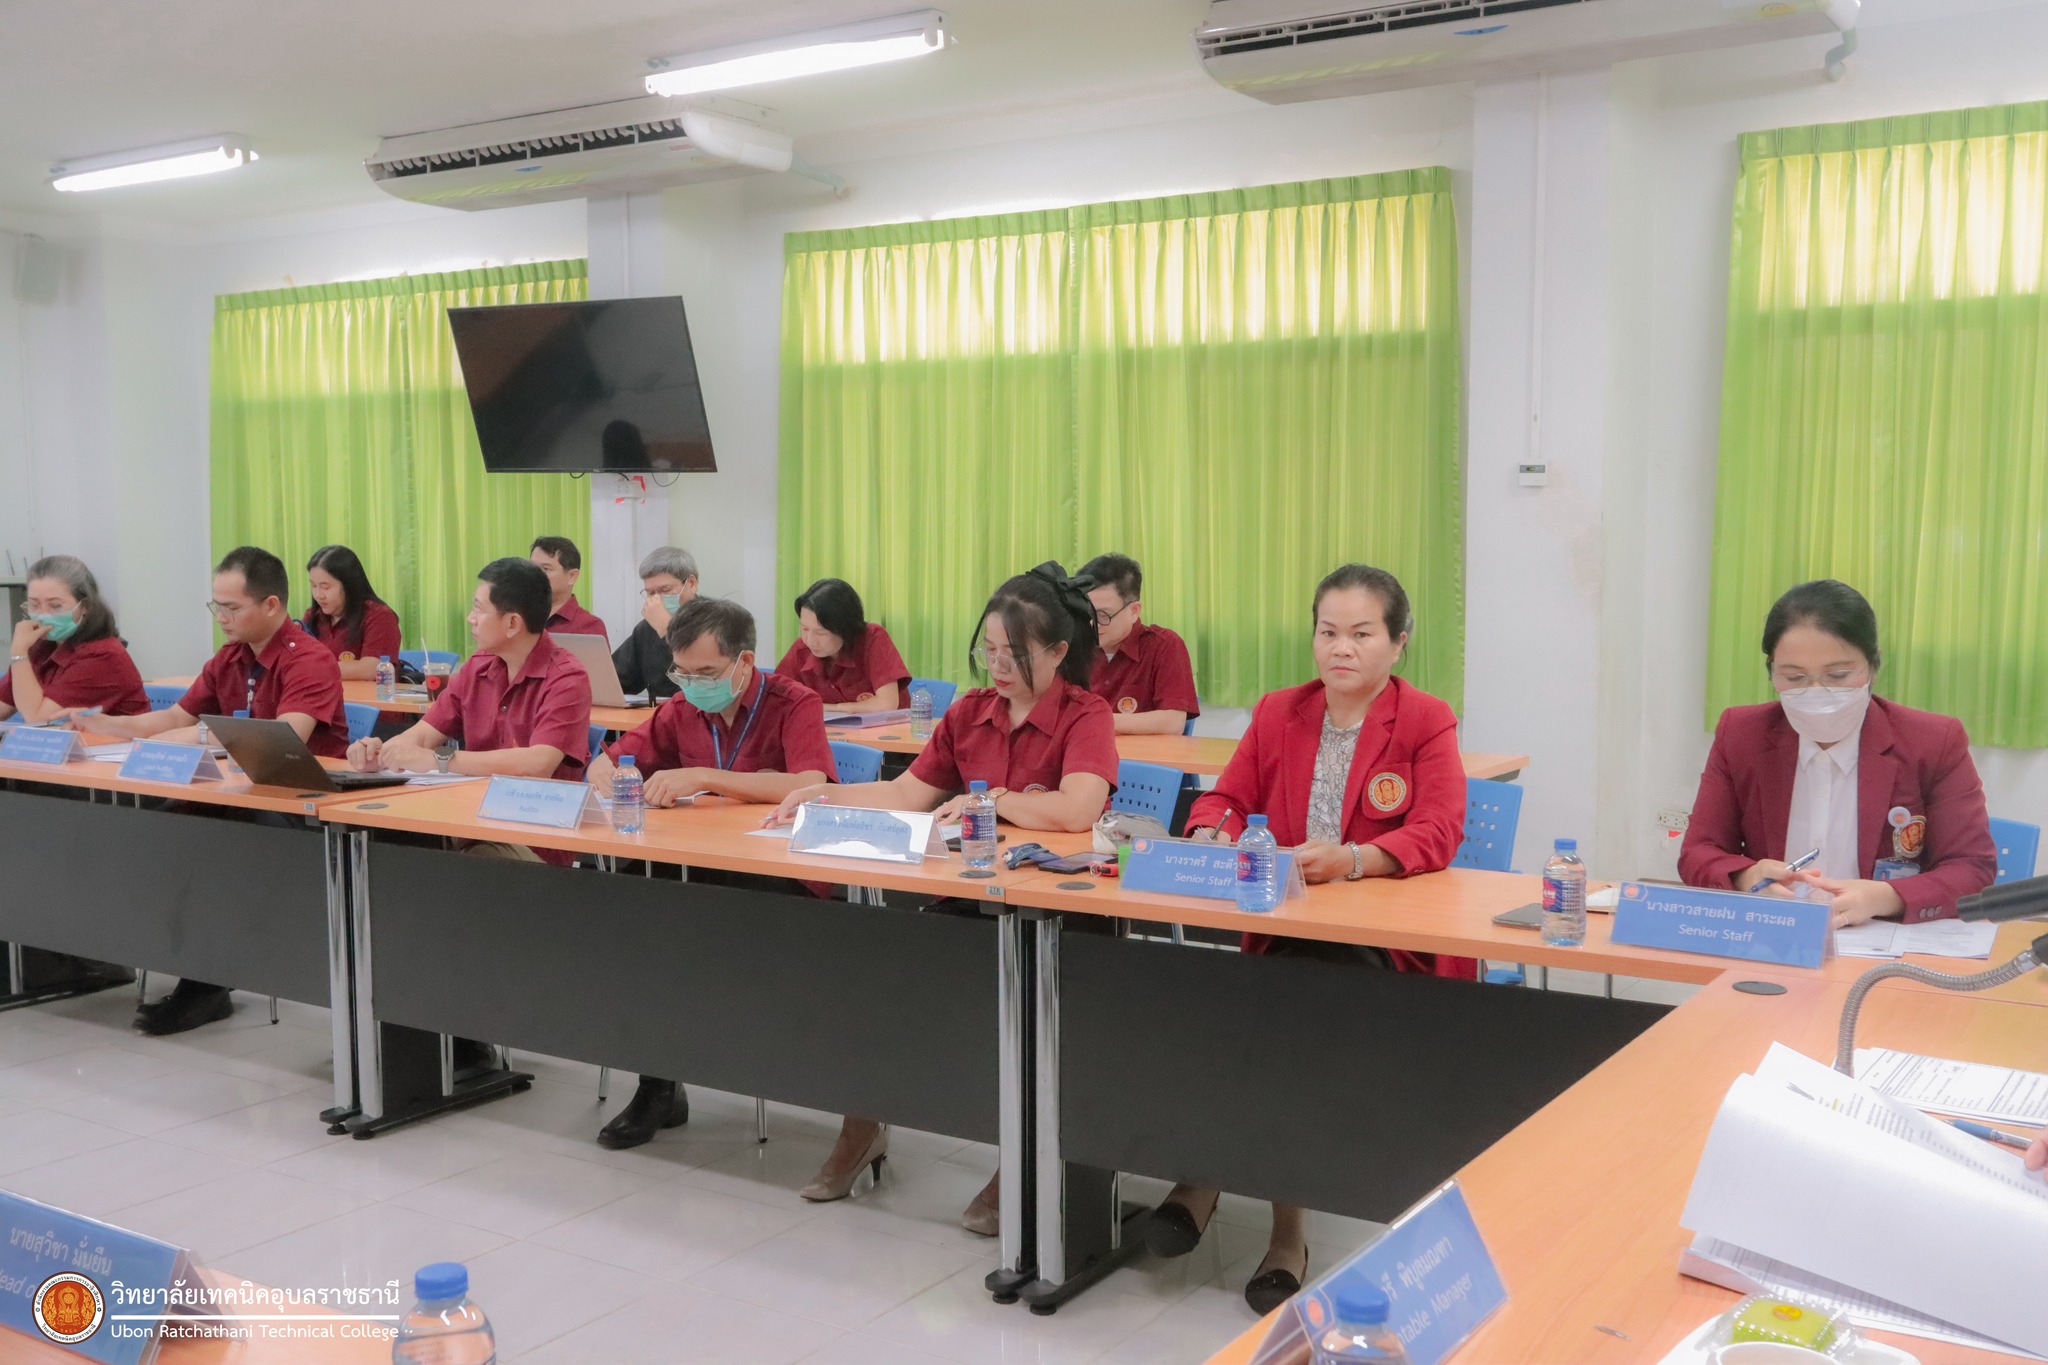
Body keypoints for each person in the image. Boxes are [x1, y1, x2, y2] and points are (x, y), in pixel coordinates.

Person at [1151, 563, 1472, 1315]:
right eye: (1328, 632)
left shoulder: (1425, 719)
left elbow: (1439, 828)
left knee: (1277, 1018)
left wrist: (1355, 859)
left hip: (1385, 948)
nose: (1341, 648)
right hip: (1285, 933)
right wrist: (1210, 831)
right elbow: (1225, 798)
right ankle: (1242, 1197)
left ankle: (1243, 1203)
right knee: (1238, 1008)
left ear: (1399, 641)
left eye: (1362, 633)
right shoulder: (1280, 711)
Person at [768, 563, 1117, 1232]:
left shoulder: (1086, 714)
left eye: (1015, 654)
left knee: (1020, 1018)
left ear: (1057, 652)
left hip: (1059, 920)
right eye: (990, 650)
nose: (999, 666)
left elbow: (1077, 808)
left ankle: (1024, 1158)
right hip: (971, 902)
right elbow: (907, 794)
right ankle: (863, 1127)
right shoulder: (969, 711)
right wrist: (825, 793)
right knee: (875, 980)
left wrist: (992, 800)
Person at [584, 597, 835, 1150]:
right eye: (682, 673)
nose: (692, 685)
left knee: (672, 933)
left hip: (778, 881)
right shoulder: (681, 708)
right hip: (697, 869)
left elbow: (811, 783)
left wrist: (704, 776)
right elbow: (615, 758)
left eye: (705, 673)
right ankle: (659, 1085)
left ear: (744, 662)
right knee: (632, 918)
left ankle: (672, 1077)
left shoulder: (795, 702)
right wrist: (609, 771)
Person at [76, 545, 348, 1035]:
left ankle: (205, 982)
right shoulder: (229, 658)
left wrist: (197, 736)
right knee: (157, 827)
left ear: (271, 605)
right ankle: (194, 971)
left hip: (301, 810)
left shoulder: (310, 659)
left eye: (231, 607)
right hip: (234, 798)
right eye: (215, 606)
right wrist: (109, 726)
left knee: (208, 847)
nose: (221, 617)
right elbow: (174, 718)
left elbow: (283, 739)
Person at [1679, 580, 1997, 928]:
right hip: (1774, 931)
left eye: (1838, 675)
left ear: (1873, 665)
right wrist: (1747, 876)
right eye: (1795, 677)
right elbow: (1698, 852)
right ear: (1771, 671)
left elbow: (1972, 868)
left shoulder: (1932, 741)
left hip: (1883, 935)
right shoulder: (1742, 734)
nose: (1817, 692)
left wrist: (1885, 897)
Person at [347, 558, 591, 804]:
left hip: (537, 815)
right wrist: (383, 754)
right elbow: (423, 735)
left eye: (479, 609)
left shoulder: (567, 678)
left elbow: (538, 764)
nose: (470, 618)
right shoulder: (478, 666)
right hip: (472, 807)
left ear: (512, 623)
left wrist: (439, 760)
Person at [0, 555, 148, 722]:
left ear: (84, 607)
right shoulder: (41, 645)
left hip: (114, 739)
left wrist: (18, 653)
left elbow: (39, 719)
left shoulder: (103, 655)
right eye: (34, 605)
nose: (42, 615)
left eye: (55, 606)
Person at [1079, 553, 1200, 735]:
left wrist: (1095, 720)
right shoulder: (1071, 647)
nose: (1091, 623)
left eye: (1102, 615)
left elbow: (1173, 723)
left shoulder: (1164, 646)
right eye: (1085, 612)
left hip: (1143, 753)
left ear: (1134, 610)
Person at [774, 578, 912, 714]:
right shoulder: (801, 650)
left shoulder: (873, 638)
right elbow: (775, 700)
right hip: (827, 728)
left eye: (821, 633)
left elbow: (887, 703)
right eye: (804, 629)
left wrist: (835, 708)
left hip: (889, 728)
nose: (810, 641)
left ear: (845, 628)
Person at [301, 544, 403, 680]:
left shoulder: (379, 616)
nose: (318, 595)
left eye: (325, 587)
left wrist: (313, 668)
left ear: (348, 585)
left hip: (366, 694)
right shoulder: (312, 616)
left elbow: (372, 669)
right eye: (314, 586)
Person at [611, 546, 698, 700]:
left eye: (665, 589)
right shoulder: (646, 628)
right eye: (650, 593)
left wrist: (667, 630)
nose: (657, 599)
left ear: (691, 584)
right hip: (657, 712)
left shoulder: (715, 622)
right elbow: (618, 680)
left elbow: (695, 687)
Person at [531, 535, 609, 644]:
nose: (535, 574)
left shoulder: (589, 626)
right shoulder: (518, 618)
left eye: (546, 568)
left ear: (572, 576)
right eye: (532, 568)